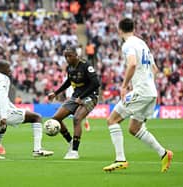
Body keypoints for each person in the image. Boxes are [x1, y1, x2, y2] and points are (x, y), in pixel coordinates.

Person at [102, 18, 173, 172]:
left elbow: (132, 63)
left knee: (112, 120)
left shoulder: (128, 45)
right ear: (133, 28)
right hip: (150, 92)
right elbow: (154, 69)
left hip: (141, 91)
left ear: (120, 30)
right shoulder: (143, 44)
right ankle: (164, 154)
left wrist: (124, 86)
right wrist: (146, 85)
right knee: (134, 128)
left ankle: (120, 159)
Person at [0, 60, 53, 159]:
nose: (10, 70)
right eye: (7, 68)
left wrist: (13, 108)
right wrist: (4, 116)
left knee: (2, 129)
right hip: (1, 113)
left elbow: (2, 98)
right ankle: (37, 150)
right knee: (36, 117)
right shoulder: (3, 78)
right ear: (0, 69)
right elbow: (2, 96)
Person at [48, 46, 100, 159]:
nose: (67, 58)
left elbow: (96, 83)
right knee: (55, 119)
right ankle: (71, 142)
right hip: (76, 96)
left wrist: (82, 97)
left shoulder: (86, 65)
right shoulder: (69, 68)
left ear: (76, 55)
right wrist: (55, 93)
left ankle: (74, 152)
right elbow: (68, 82)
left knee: (77, 119)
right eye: (65, 56)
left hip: (90, 96)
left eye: (69, 56)